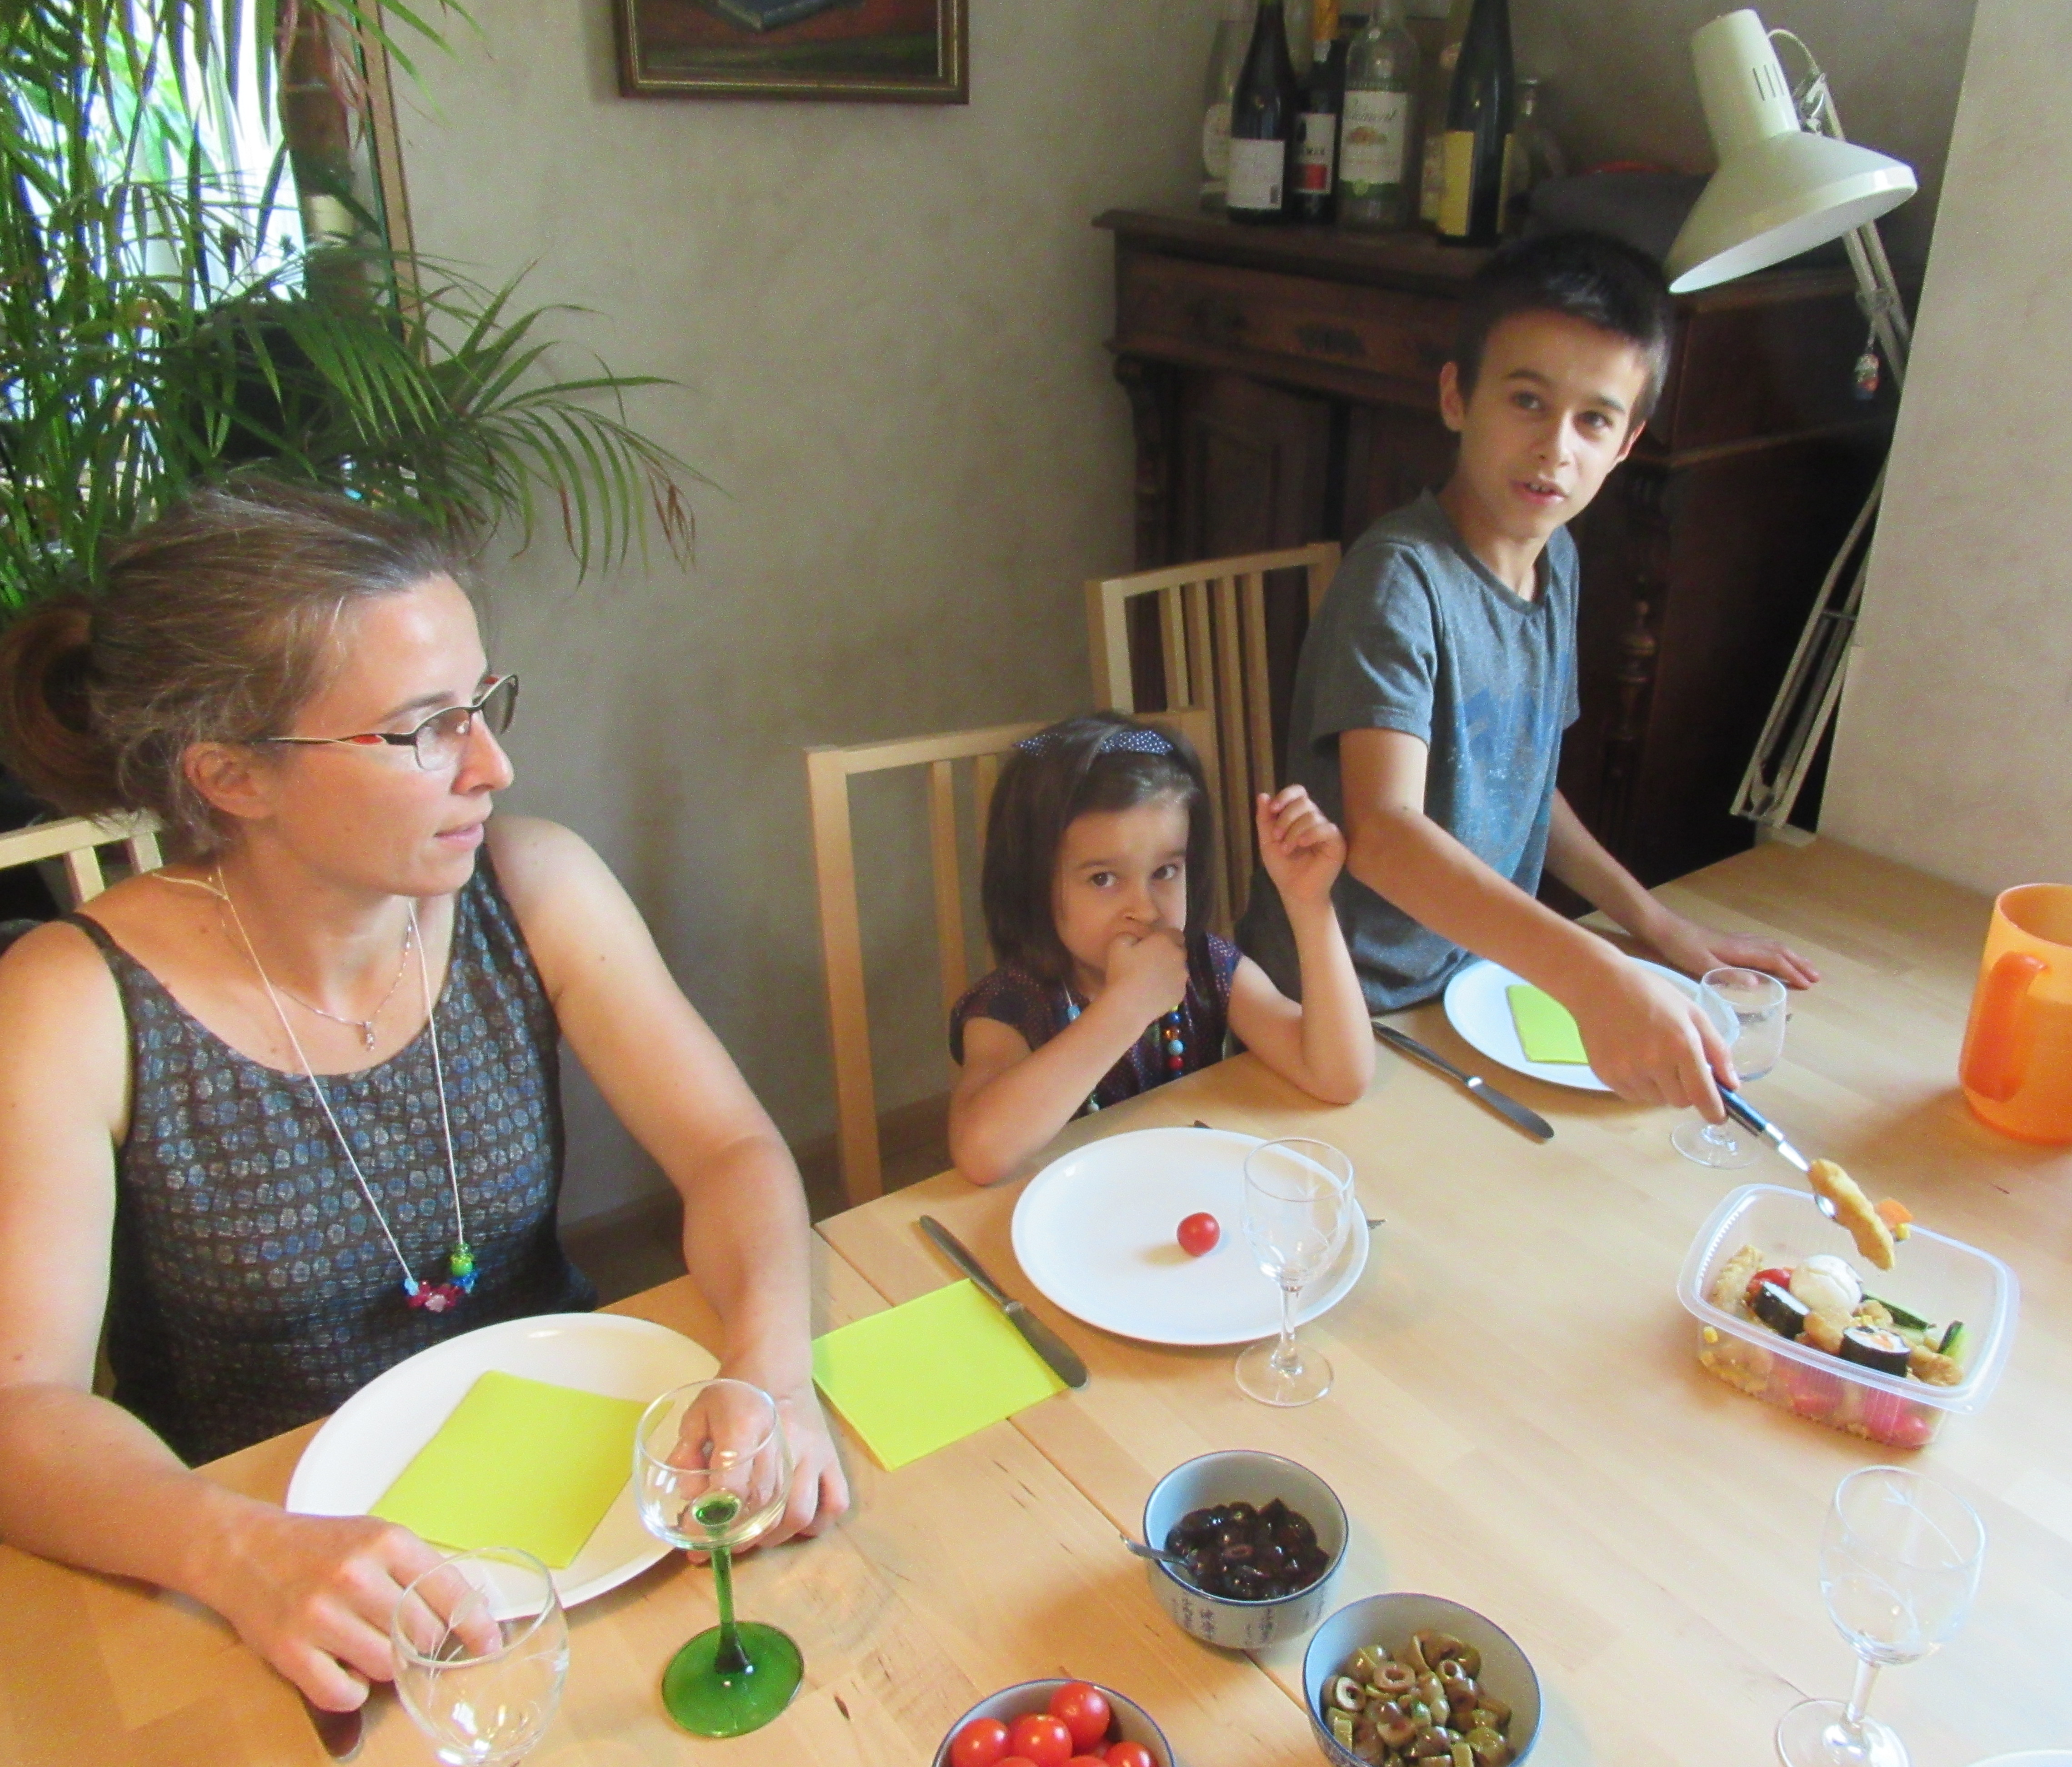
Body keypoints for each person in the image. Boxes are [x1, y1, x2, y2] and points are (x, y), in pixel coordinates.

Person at [0, 481, 846, 1713]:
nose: (494, 766)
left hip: (588, 1508)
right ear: (232, 775)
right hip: (278, 1577)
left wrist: (768, 1372)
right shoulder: (73, 1001)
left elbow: (728, 1149)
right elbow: (22, 1409)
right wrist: (235, 1551)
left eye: (484, 705)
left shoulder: (534, 885)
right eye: (425, 730)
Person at [1236, 230, 1817, 1117]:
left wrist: (1658, 928)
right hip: (1341, 1013)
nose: (1556, 448)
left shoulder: (1558, 563)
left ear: (1626, 444)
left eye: (1594, 420)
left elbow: (1524, 782)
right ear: (1456, 396)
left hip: (1470, 983)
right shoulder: (1399, 579)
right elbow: (1383, 834)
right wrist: (1594, 973)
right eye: (1527, 400)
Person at [948, 712, 1373, 1184]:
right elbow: (981, 1153)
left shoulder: (1207, 966)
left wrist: (1309, 903)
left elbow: (1340, 1077)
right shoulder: (1010, 1004)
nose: (1145, 909)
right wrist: (1127, 1006)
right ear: (1032, 885)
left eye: (1165, 872)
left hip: (1186, 1199)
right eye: (1103, 879)